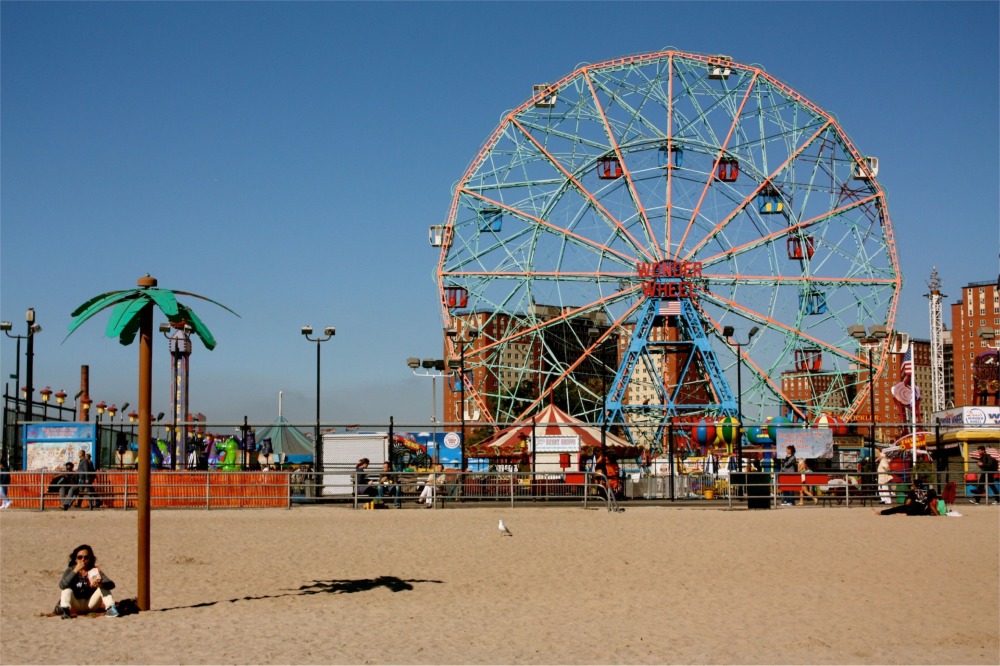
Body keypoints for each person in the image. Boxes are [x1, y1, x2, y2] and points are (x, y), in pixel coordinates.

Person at [55, 544, 120, 618]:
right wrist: (76, 570)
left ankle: (111, 609)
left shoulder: (94, 570)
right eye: (80, 557)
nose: (83, 560)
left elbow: (111, 584)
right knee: (66, 589)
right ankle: (65, 611)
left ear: (90, 559)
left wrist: (100, 584)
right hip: (75, 604)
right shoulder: (70, 570)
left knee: (103, 588)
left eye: (86, 557)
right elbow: (62, 585)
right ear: (75, 559)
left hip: (91, 604)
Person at [874, 478, 939, 516]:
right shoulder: (927, 492)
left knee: (896, 509)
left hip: (912, 509)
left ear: (914, 485)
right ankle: (904, 514)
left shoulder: (912, 491)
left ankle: (880, 513)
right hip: (921, 511)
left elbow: (908, 503)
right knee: (911, 511)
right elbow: (931, 505)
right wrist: (937, 515)